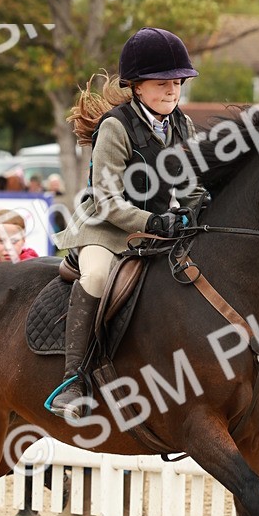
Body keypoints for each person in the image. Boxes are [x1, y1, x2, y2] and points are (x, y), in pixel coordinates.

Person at [48, 26, 201, 419]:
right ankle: (73, 380)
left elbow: (194, 184)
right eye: (163, 82)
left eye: (178, 81)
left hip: (157, 227)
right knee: (97, 277)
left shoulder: (183, 126)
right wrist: (155, 219)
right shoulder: (116, 127)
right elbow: (108, 199)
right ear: (135, 85)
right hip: (105, 227)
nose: (173, 89)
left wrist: (202, 207)